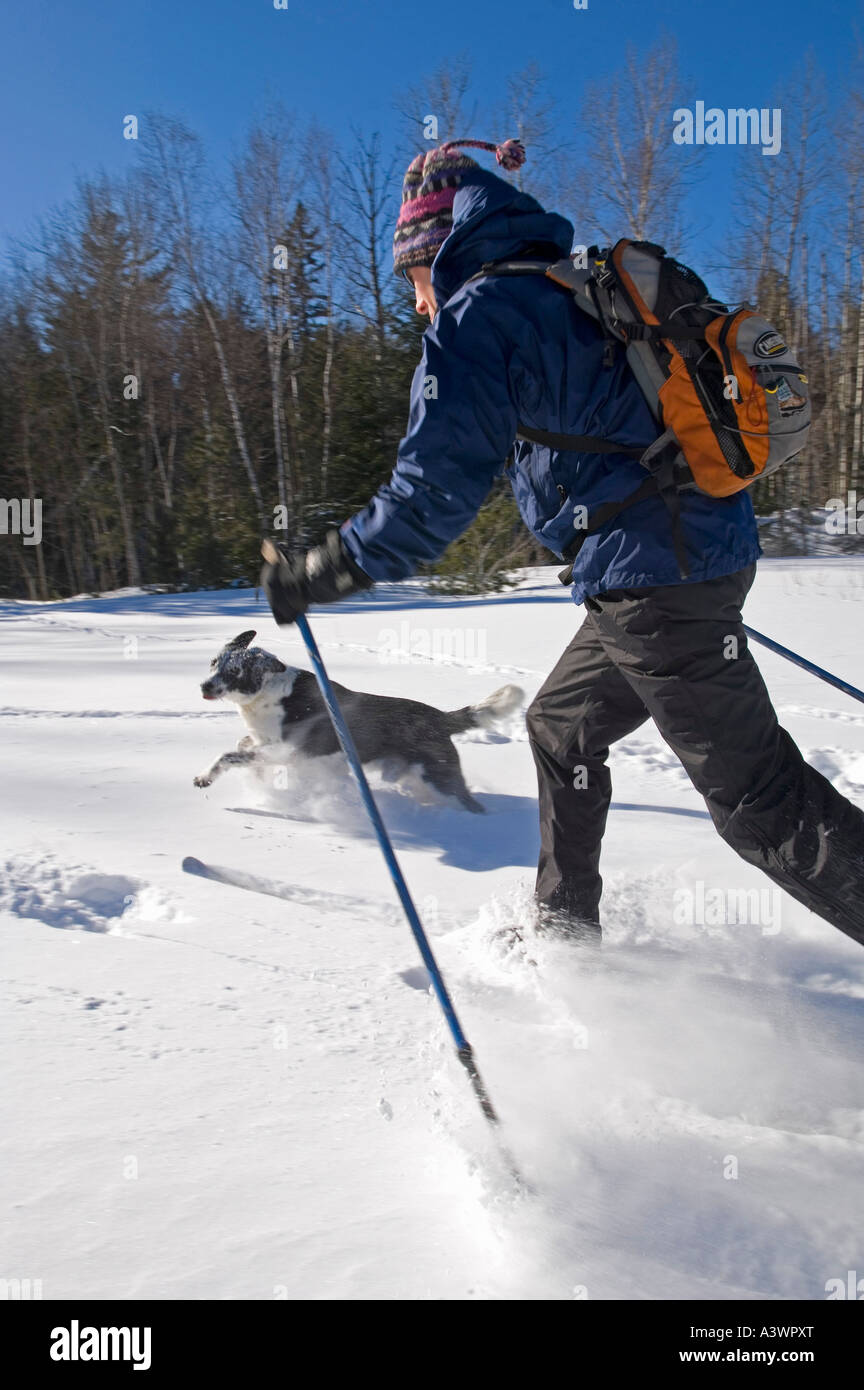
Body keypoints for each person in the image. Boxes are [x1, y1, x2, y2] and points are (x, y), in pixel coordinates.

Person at [262, 138, 864, 949]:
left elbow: (432, 493)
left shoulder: (480, 315)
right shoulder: (572, 285)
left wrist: (324, 570)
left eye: (411, 277)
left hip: (656, 580)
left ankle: (568, 926)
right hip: (671, 564)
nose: (414, 303)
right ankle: (565, 928)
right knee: (559, 729)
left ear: (434, 253)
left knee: (760, 806)